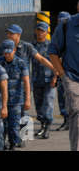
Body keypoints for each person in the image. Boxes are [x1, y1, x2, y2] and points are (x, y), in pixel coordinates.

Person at [48, 13, 79, 151]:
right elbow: (53, 52)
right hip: (73, 78)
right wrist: (63, 76)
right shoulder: (67, 25)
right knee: (77, 113)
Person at [0, 39, 30, 150]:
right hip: (1, 99)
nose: (7, 55)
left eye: (9, 52)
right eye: (5, 53)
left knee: (14, 124)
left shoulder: (21, 63)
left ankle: (13, 144)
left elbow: (26, 81)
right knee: (2, 125)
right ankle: (3, 142)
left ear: (14, 50)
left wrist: (27, 99)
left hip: (16, 99)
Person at [31, 22, 57, 139]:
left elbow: (57, 62)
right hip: (36, 79)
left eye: (43, 30)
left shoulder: (52, 45)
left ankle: (47, 127)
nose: (40, 32)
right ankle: (42, 125)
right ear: (36, 31)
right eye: (39, 30)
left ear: (47, 32)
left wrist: (56, 77)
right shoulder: (32, 45)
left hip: (49, 80)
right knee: (38, 105)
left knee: (48, 104)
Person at [55, 11, 71, 131]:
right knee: (62, 96)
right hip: (62, 72)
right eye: (59, 21)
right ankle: (66, 120)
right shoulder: (57, 37)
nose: (61, 23)